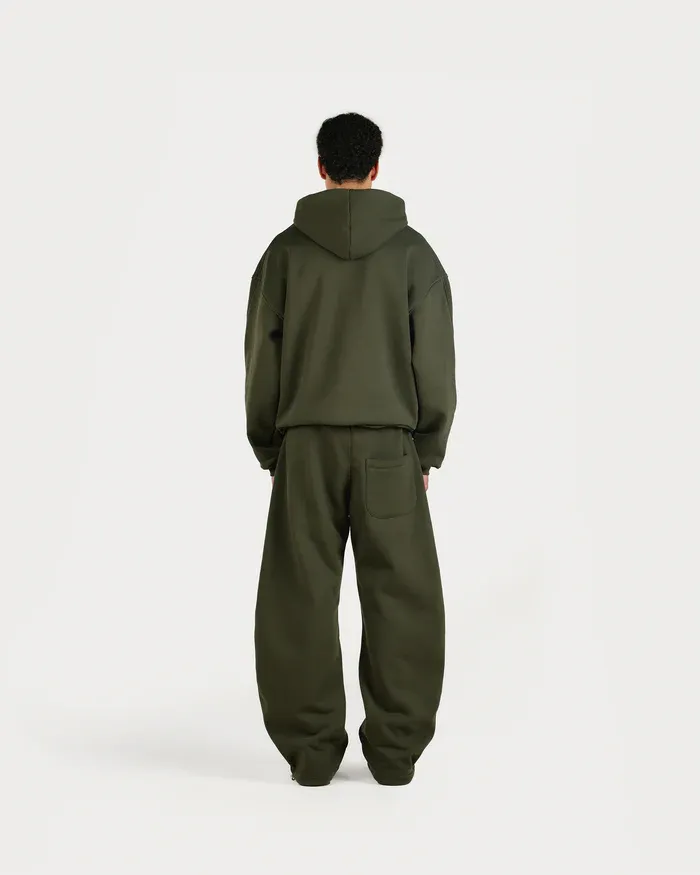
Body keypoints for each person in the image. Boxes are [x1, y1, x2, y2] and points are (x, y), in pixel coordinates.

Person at [244, 112, 456, 786]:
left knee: (299, 596)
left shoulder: (284, 254)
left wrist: (271, 446)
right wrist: (427, 447)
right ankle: (395, 753)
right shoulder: (414, 255)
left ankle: (310, 753)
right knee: (403, 596)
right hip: (391, 449)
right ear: (376, 167)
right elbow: (435, 362)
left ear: (321, 168)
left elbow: (261, 360)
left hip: (305, 445)